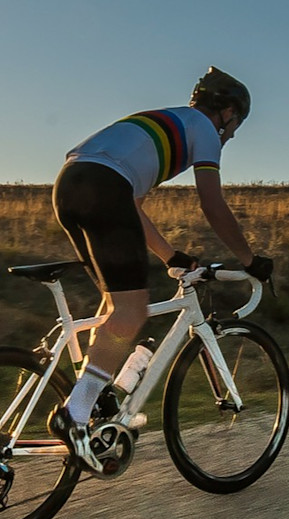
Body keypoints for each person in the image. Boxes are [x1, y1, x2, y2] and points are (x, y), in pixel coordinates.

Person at [47, 66, 274, 470]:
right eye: (237, 122)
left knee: (115, 305)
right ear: (224, 112)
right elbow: (212, 204)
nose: (234, 132)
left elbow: (131, 207)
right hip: (105, 187)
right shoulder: (202, 127)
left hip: (69, 184)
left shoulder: (164, 121)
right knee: (132, 312)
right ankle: (75, 413)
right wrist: (249, 259)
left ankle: (95, 396)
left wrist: (170, 255)